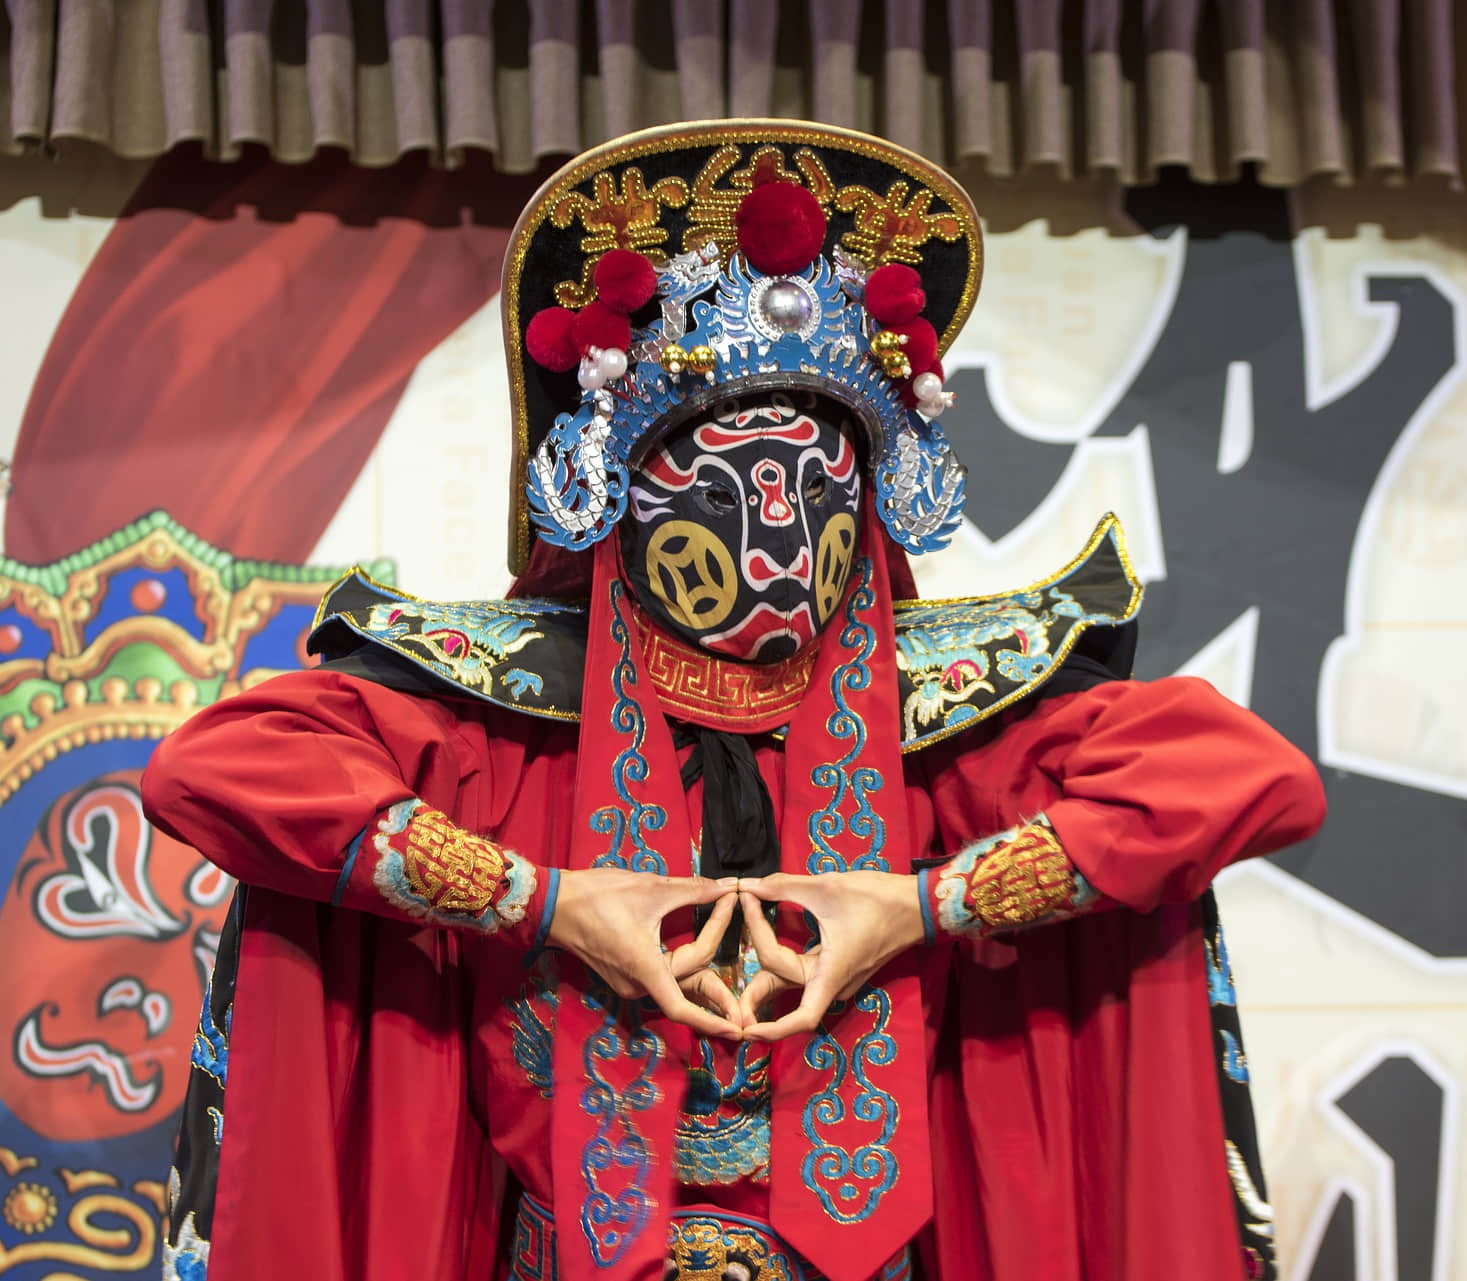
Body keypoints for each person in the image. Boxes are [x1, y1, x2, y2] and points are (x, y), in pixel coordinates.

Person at [142, 119, 1326, 1281]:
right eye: (726, 485)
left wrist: (919, 909)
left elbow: (1241, 778)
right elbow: (219, 768)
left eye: (816, 486)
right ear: (622, 497)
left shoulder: (952, 718)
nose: (776, 537)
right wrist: (544, 900)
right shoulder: (501, 713)